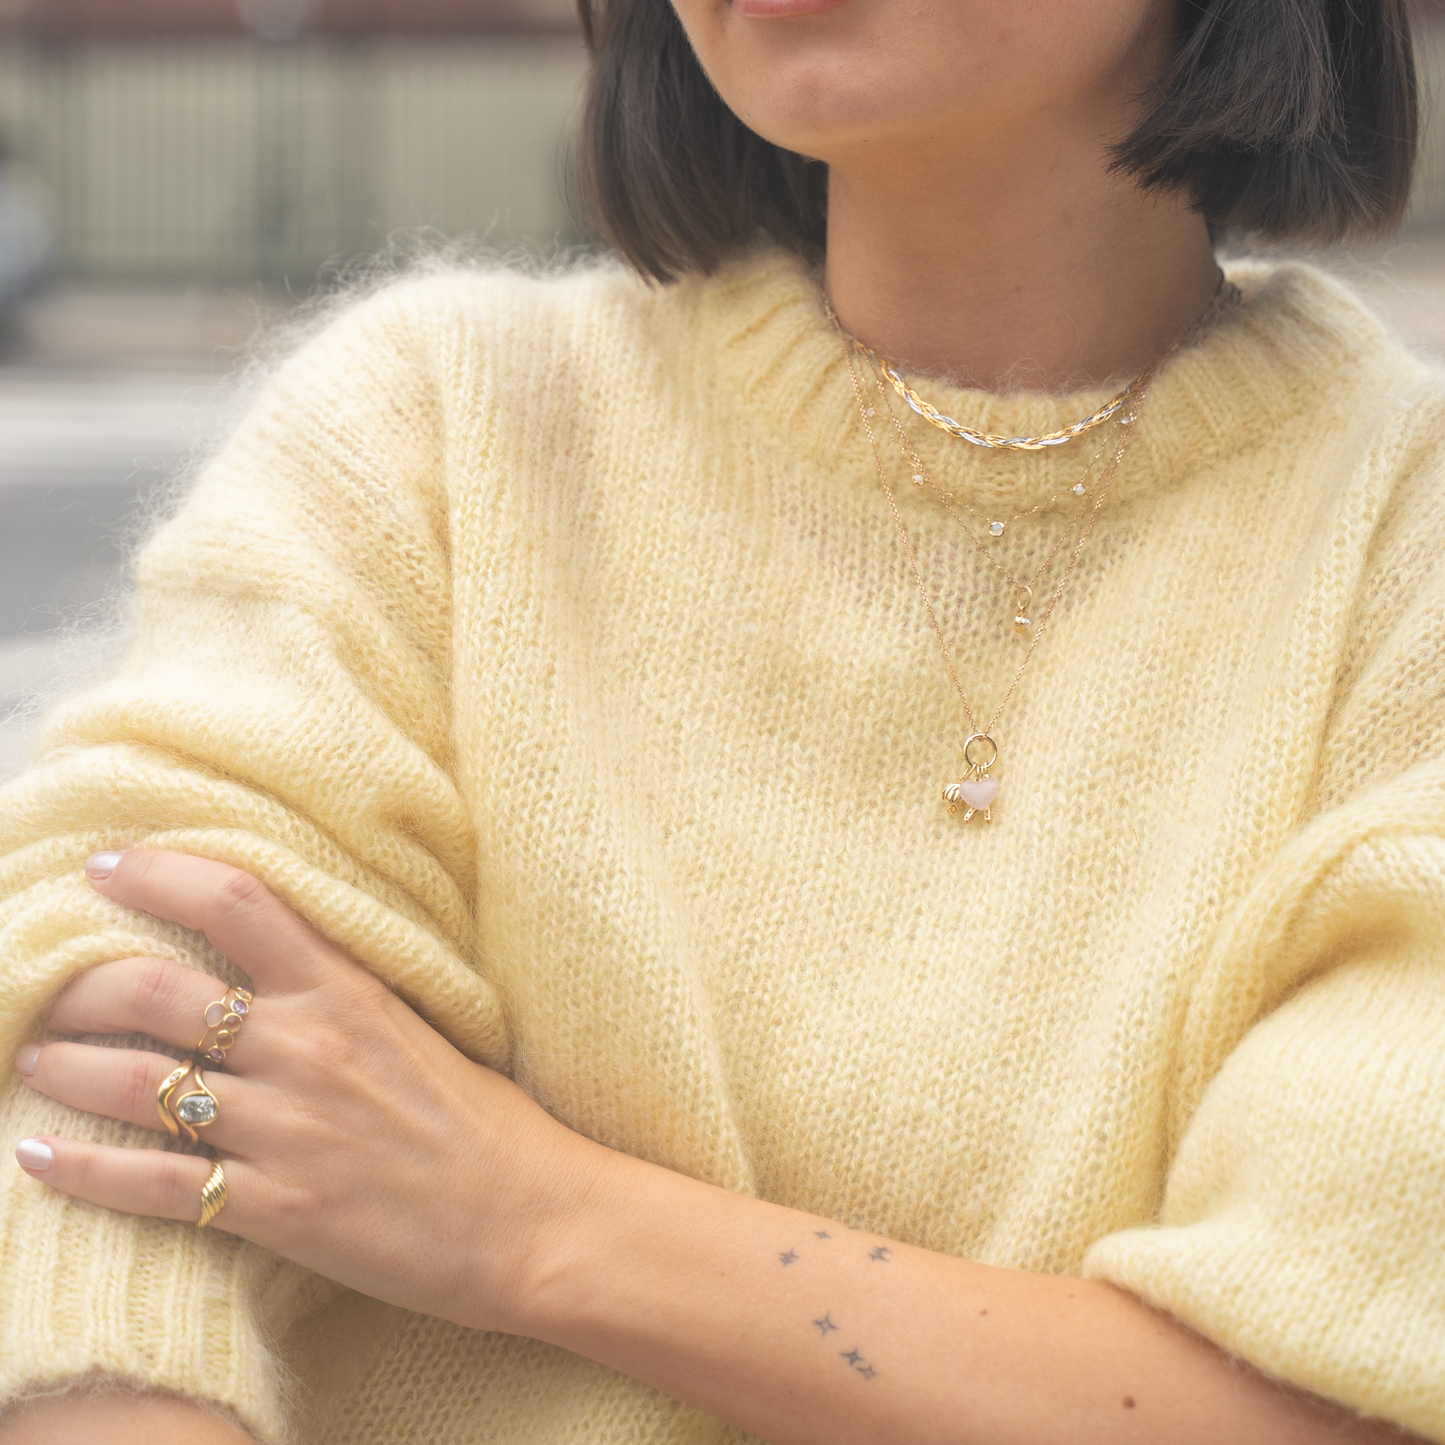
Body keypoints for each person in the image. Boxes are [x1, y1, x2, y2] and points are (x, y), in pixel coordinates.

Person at [0, 0, 1440, 1441]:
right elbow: (103, 1098)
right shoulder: (442, 439)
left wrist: (530, 1222)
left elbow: (1328, 1391)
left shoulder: (1403, 549)